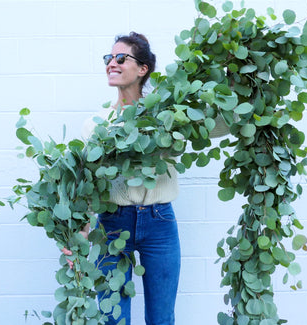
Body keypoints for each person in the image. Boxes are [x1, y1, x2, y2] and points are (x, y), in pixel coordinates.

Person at [63, 32, 231, 325]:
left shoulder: (167, 115)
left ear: (143, 69)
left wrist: (229, 73)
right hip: (112, 224)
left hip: (159, 223)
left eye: (120, 58)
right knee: (111, 318)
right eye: (108, 58)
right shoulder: (97, 125)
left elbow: (221, 126)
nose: (111, 64)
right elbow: (86, 185)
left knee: (161, 318)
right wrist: (78, 236)